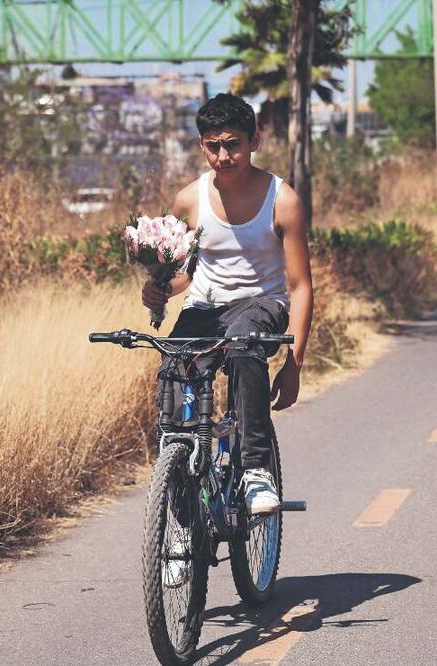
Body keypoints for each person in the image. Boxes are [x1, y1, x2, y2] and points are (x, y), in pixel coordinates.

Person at [141, 93, 313, 515]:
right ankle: (178, 478)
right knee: (174, 363)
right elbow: (185, 273)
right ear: (202, 147)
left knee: (242, 344)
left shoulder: (283, 199)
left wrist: (294, 365)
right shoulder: (189, 200)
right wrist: (160, 287)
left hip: (260, 304)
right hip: (204, 307)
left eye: (233, 143)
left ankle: (255, 470)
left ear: (254, 140)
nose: (224, 156)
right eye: (213, 146)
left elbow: (301, 286)